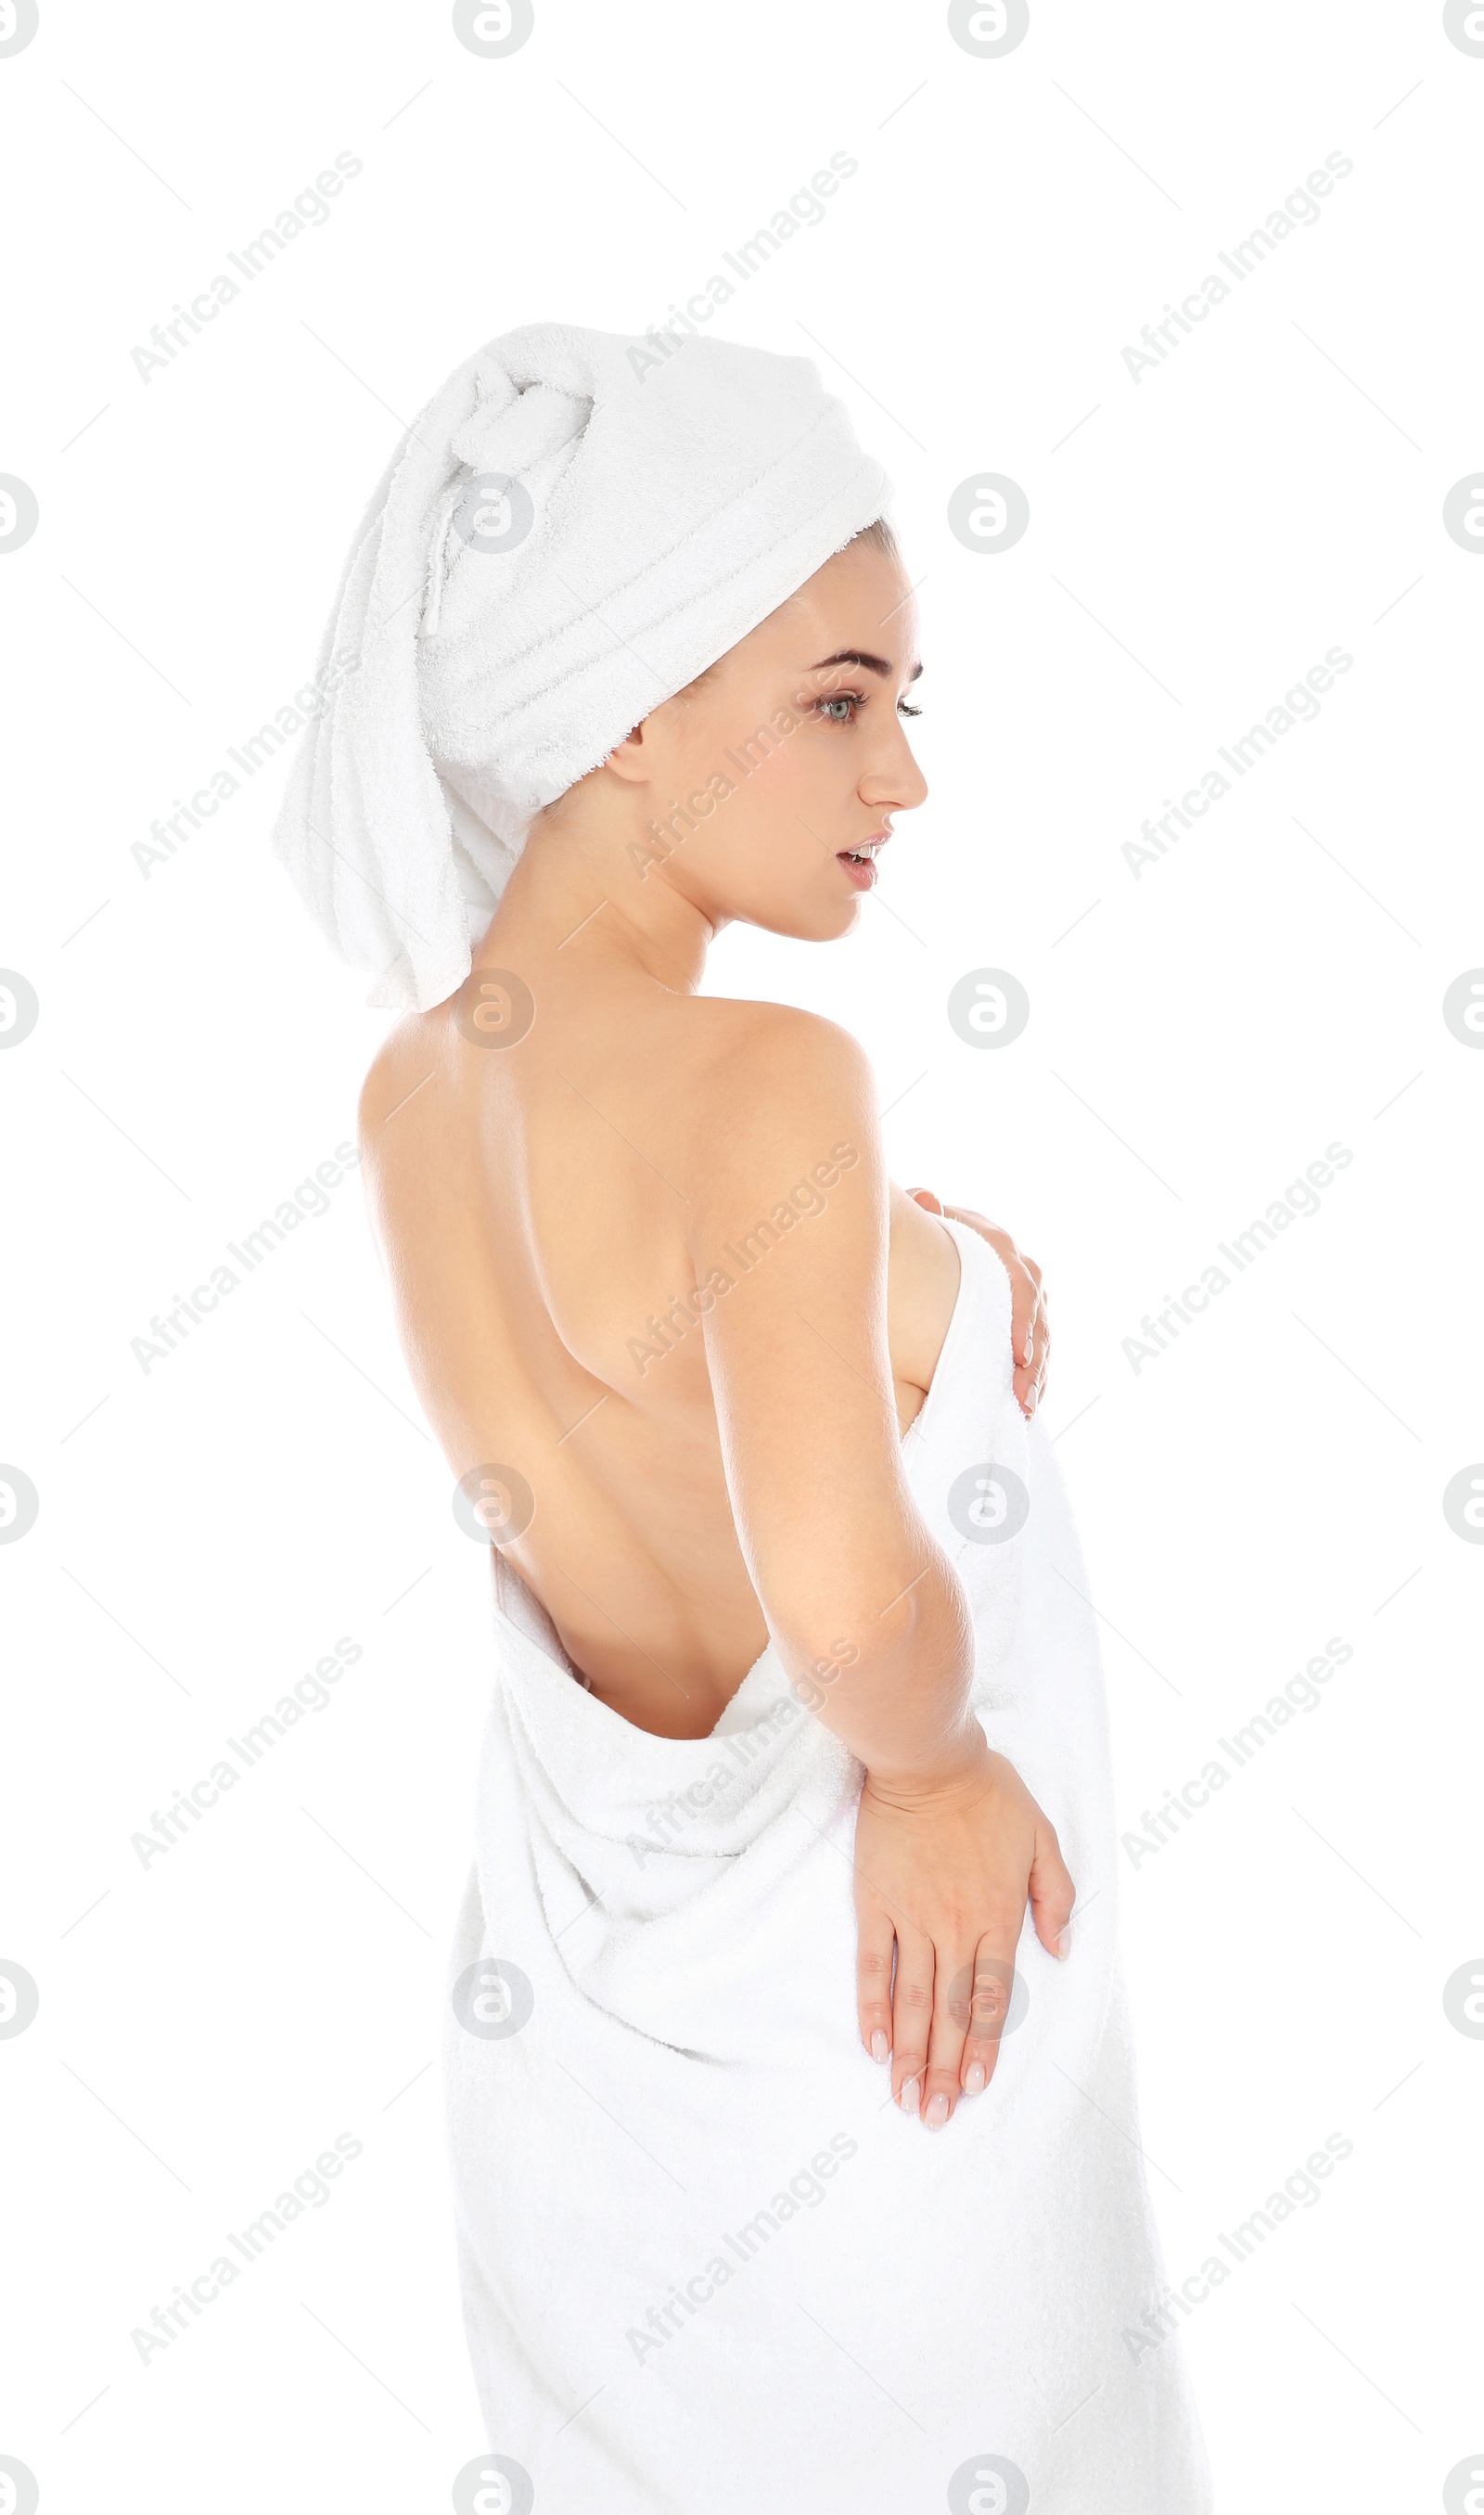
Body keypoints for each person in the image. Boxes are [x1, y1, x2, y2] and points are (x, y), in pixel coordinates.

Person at [275, 323, 1211, 2515]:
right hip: (879, 2050)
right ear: (624, 702)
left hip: (595, 2119)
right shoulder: (768, 1082)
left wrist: (900, 1268)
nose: (900, 781)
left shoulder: (417, 1087)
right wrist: (938, 1768)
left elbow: (626, 1426)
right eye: (837, 704)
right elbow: (832, 1587)